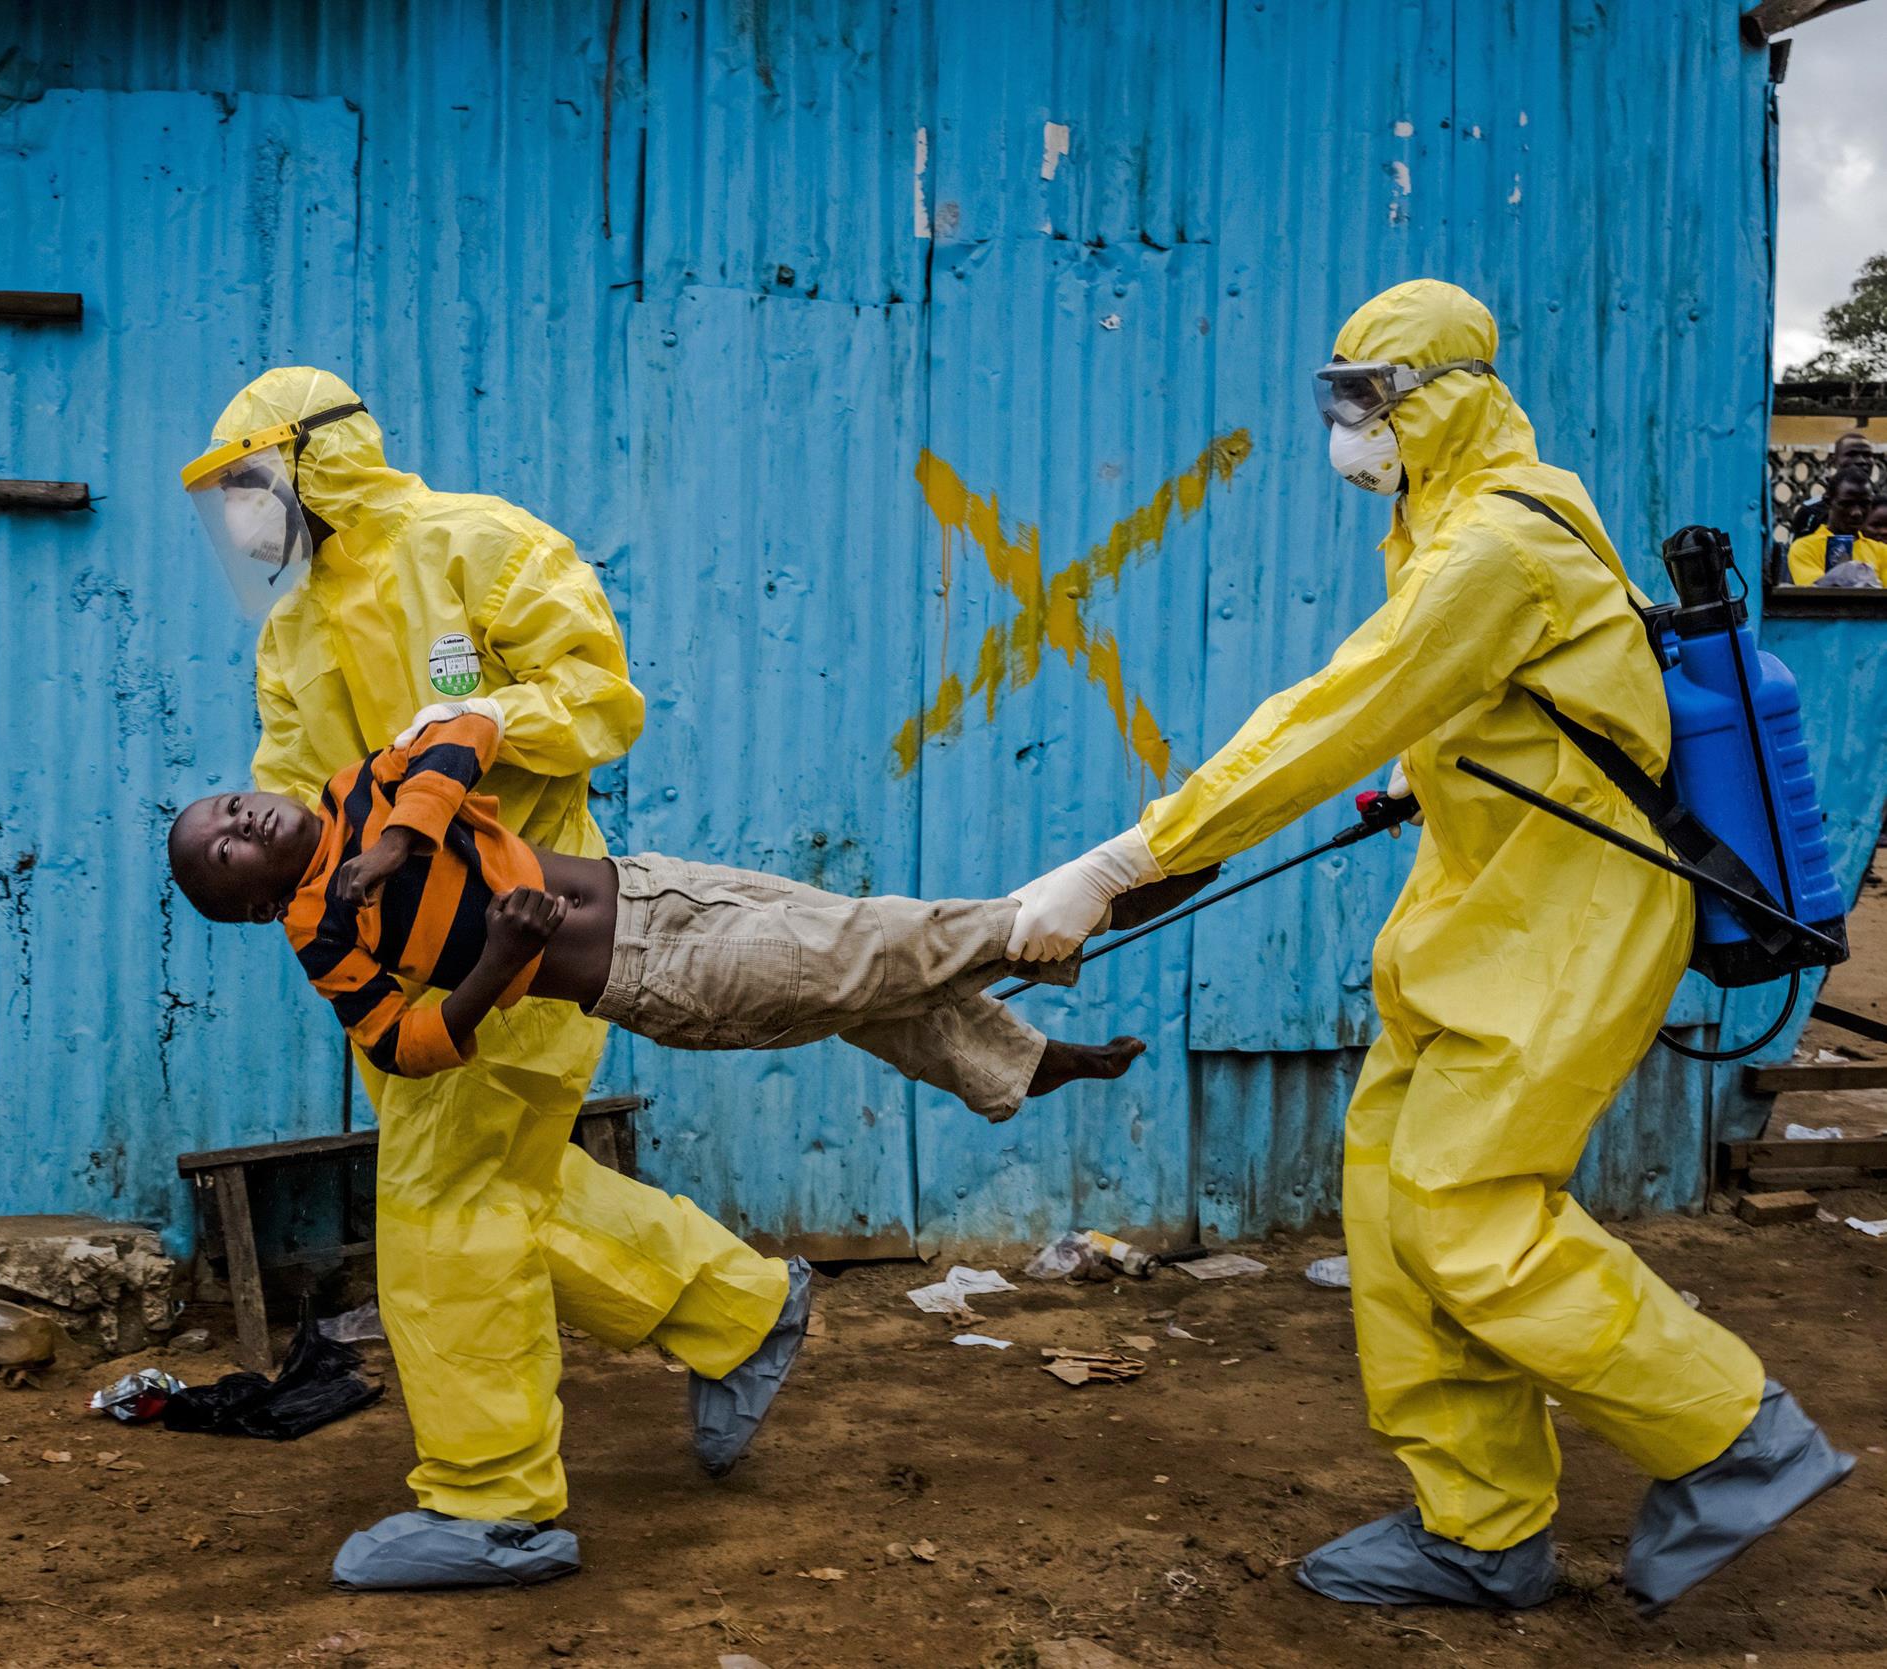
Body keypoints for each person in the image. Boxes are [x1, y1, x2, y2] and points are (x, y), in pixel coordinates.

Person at [1004, 281, 1853, 1616]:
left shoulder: (1495, 544)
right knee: (1399, 1205)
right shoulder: (1455, 518)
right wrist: (1427, 770)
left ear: (1441, 396)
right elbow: (1509, 694)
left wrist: (1132, 857)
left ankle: (1735, 1435)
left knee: (1470, 1208)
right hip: (1481, 912)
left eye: (1366, 400)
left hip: (1568, 921)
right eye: (1333, 397)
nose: (1345, 429)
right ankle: (1481, 1525)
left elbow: (1334, 708)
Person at [180, 368, 808, 1592]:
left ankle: (491, 1502)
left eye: (252, 484)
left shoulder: (484, 545)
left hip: (524, 926)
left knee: (440, 1211)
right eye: (229, 501)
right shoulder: (292, 631)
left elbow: (596, 700)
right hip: (406, 964)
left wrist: (449, 744)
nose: (248, 519)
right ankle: (740, 1309)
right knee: (506, 1190)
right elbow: (299, 794)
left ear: (316, 457)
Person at [167, 711, 1180, 1117]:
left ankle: (1014, 1064)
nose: (238, 816)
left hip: (661, 884)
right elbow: (399, 1046)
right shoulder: (326, 936)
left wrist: (397, 842)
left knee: (860, 984)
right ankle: (1061, 910)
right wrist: (493, 966)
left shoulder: (360, 791)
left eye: (224, 804)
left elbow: (465, 730)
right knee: (865, 948)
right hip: (653, 973)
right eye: (225, 846)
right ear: (257, 902)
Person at [1784, 467, 1887, 585]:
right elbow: (1817, 592)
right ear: (1828, 502)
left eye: (1864, 504)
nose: (1856, 513)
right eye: (1846, 504)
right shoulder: (1805, 548)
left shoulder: (1881, 551)